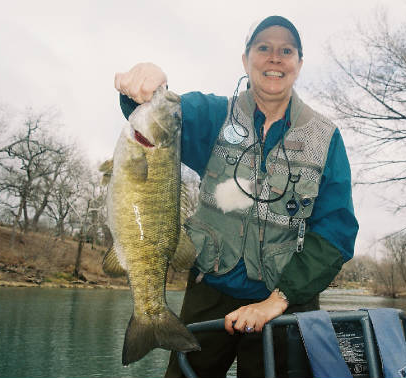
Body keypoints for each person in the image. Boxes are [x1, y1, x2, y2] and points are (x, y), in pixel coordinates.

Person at [114, 15, 359, 378]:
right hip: (209, 289)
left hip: (286, 299)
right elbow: (157, 120)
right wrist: (145, 85)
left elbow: (336, 234)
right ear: (246, 60)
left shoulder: (326, 138)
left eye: (286, 50)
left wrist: (276, 301)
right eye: (263, 48)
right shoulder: (213, 115)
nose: (274, 58)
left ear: (299, 64)